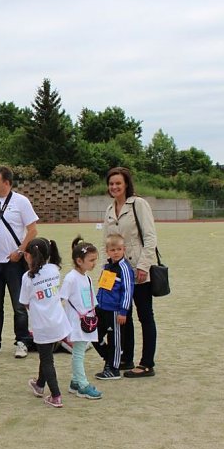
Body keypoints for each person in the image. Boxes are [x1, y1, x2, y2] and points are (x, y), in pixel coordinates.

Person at [0, 165, 38, 359]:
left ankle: (22, 341)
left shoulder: (21, 201)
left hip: (14, 263)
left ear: (7, 183)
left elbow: (33, 230)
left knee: (19, 305)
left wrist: (20, 251)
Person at [103, 166, 159, 377]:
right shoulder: (110, 209)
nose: (114, 187)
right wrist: (106, 269)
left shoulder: (138, 204)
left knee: (145, 315)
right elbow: (106, 241)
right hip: (117, 273)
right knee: (122, 315)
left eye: (118, 183)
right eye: (111, 183)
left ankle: (147, 363)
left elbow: (150, 237)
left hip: (137, 270)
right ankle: (126, 358)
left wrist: (144, 265)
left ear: (126, 184)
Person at [20, 237, 72, 408]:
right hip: (58, 321)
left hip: (42, 324)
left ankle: (56, 396)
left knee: (47, 359)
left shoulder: (27, 277)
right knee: (46, 354)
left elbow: (25, 302)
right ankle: (40, 384)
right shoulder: (54, 269)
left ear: (28, 256)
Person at [60, 237, 102, 401]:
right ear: (79, 261)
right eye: (91, 260)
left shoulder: (86, 277)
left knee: (79, 352)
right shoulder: (71, 278)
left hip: (87, 321)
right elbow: (61, 299)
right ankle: (83, 385)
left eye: (95, 260)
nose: (94, 263)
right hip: (76, 322)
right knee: (78, 353)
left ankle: (75, 382)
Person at [94, 234, 135, 381]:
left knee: (115, 341)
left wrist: (123, 311)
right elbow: (102, 286)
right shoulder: (107, 266)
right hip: (102, 309)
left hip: (115, 311)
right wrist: (96, 304)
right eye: (112, 250)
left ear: (124, 249)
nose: (116, 252)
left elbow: (128, 291)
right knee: (94, 335)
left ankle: (113, 369)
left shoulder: (124, 268)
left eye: (119, 249)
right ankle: (109, 358)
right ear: (107, 251)